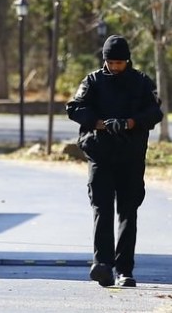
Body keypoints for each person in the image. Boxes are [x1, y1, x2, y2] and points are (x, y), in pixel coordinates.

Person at [66, 34, 163, 288]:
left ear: (127, 61)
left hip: (130, 156)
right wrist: (101, 123)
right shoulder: (93, 81)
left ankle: (124, 269)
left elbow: (155, 111)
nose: (116, 67)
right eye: (112, 62)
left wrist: (130, 122)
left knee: (128, 212)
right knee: (102, 208)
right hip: (100, 154)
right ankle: (103, 264)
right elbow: (74, 108)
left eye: (120, 63)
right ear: (105, 60)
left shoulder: (141, 82)